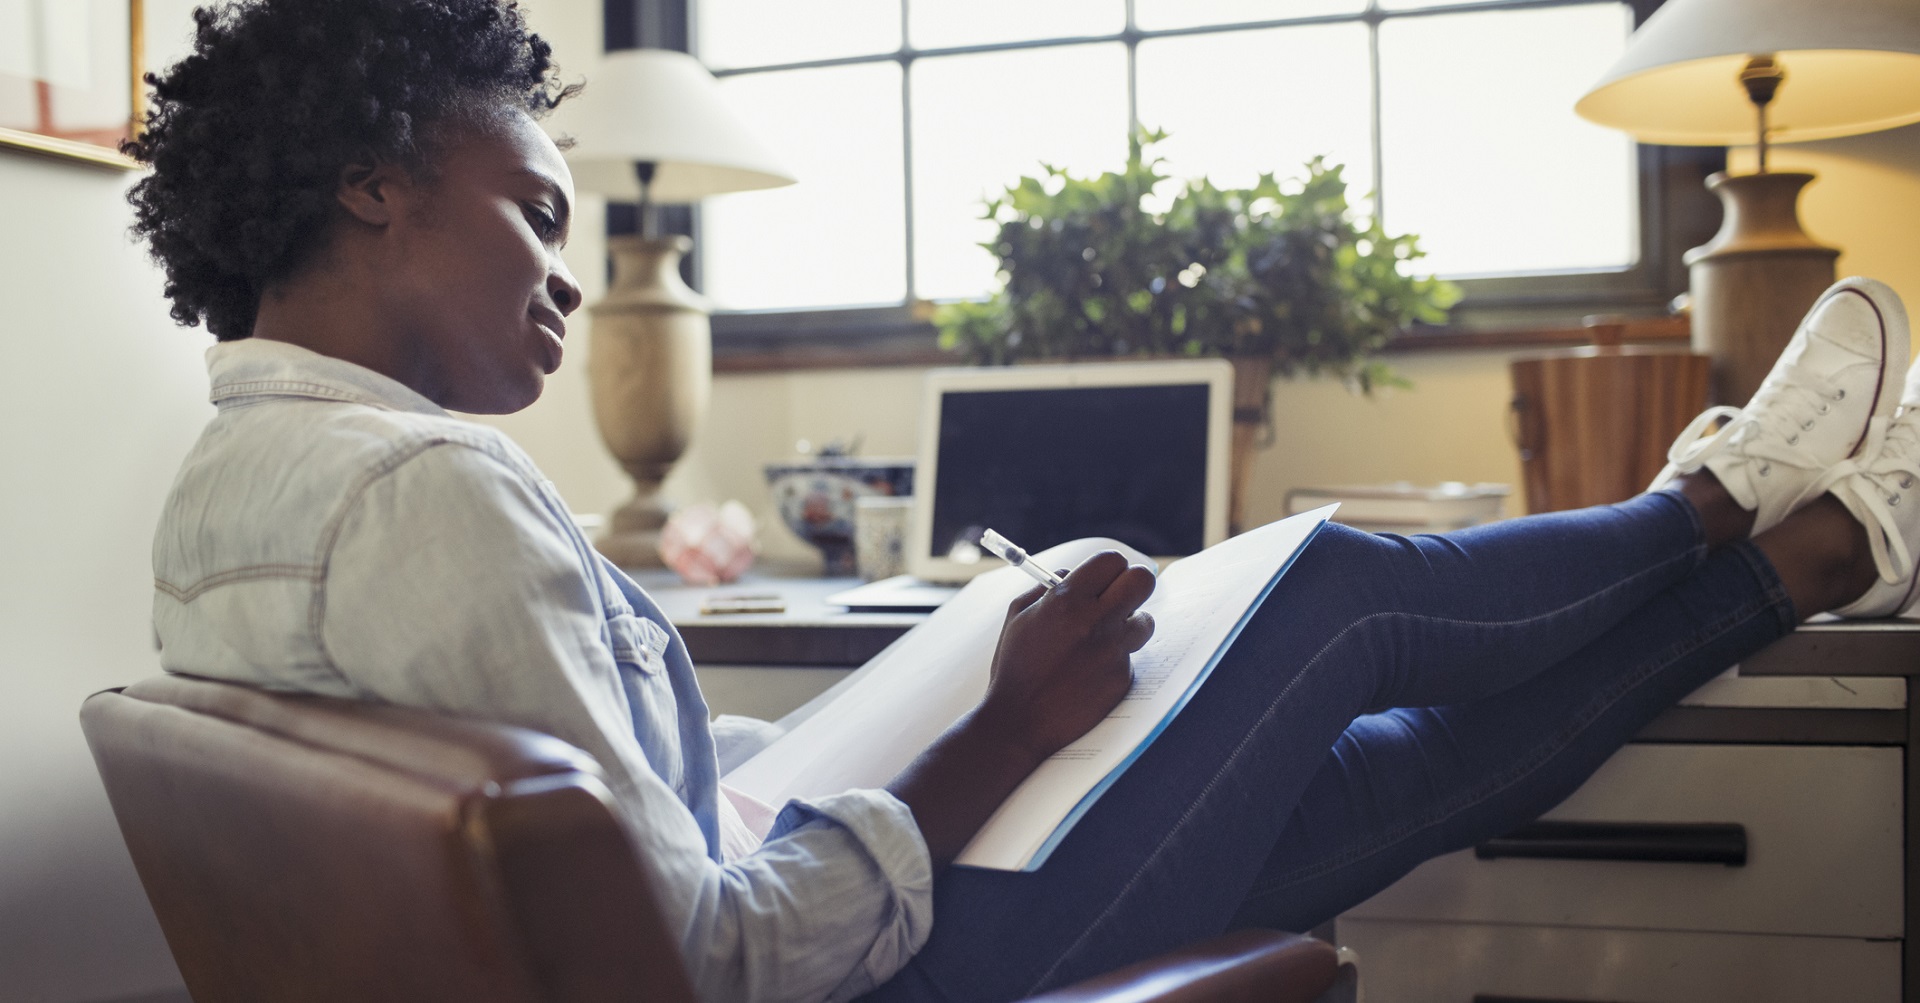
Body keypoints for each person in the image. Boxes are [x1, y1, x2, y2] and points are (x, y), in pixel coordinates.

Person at [127, 2, 1920, 1001]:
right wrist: (998, 722)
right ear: (371, 190)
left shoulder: (231, 485)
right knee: (1332, 594)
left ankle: (1811, 552)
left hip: (805, 909)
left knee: (1387, 776)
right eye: (531, 210)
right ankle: (1719, 502)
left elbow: (617, 840)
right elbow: (706, 965)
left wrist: (862, 721)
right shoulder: (437, 490)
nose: (564, 276)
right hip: (858, 985)